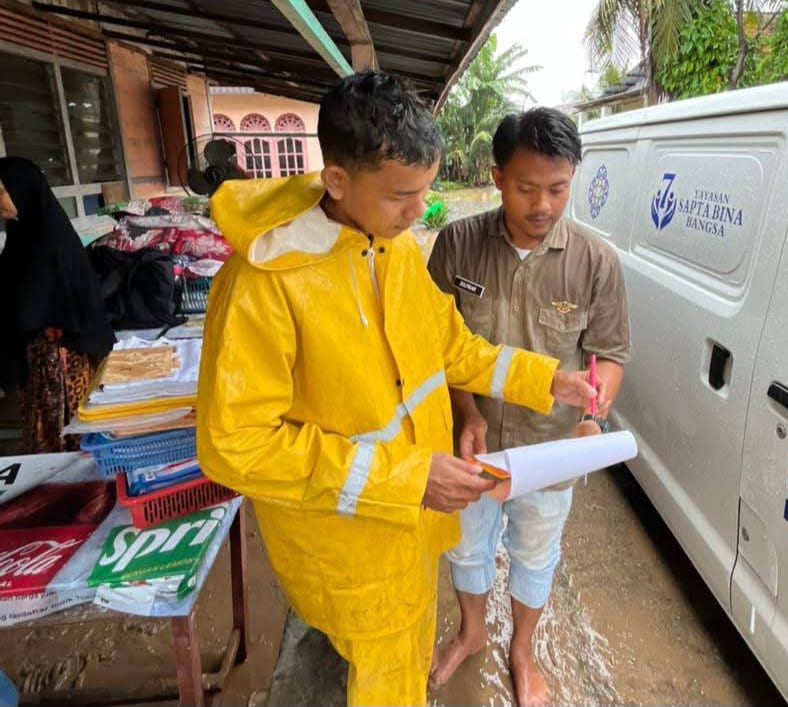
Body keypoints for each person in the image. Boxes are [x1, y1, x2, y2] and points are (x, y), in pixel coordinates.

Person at [195, 72, 603, 707]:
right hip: (348, 545)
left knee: (403, 656)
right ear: (337, 181)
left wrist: (547, 378)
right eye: (402, 196)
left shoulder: (395, 248)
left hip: (409, 525)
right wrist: (408, 478)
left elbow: (452, 348)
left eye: (426, 191)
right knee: (383, 679)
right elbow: (234, 445)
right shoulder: (262, 285)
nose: (421, 212)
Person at [427, 107, 631, 706]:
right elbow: (440, 348)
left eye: (557, 188)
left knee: (535, 551)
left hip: (549, 447)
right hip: (473, 445)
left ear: (573, 178)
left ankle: (522, 650)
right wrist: (466, 413)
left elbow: (610, 354)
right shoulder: (458, 245)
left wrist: (591, 421)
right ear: (496, 177)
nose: (542, 204)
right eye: (525, 188)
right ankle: (470, 632)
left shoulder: (596, 263)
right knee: (465, 545)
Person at [0, 157, 114, 453]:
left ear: (22, 190)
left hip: (59, 361)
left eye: (1, 191)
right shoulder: (22, 236)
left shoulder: (49, 243)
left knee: (62, 435)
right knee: (44, 433)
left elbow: (32, 304)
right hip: (39, 360)